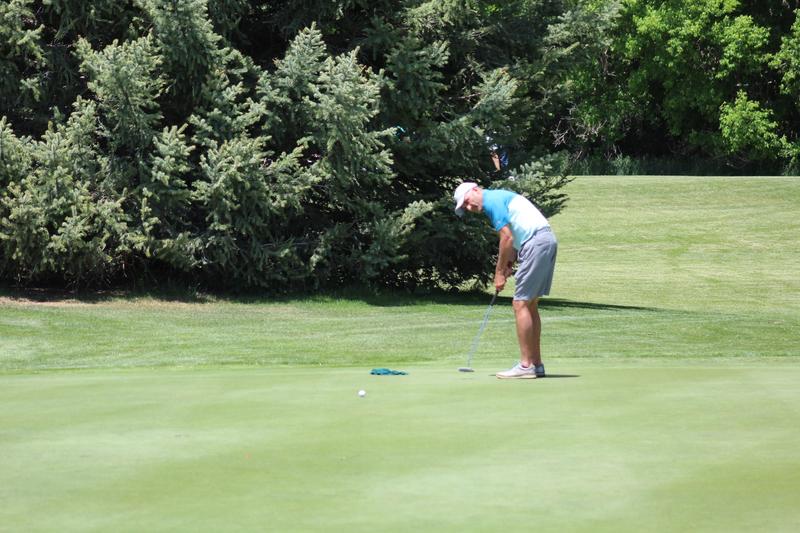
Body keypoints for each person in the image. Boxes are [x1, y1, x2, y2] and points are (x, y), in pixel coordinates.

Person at [453, 182, 558, 379]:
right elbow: (518, 233)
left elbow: (507, 238)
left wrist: (499, 272)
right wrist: (511, 261)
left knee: (520, 304)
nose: (469, 207)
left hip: (536, 243)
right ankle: (536, 364)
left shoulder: (491, 201)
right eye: (464, 207)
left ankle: (526, 366)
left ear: (475, 190)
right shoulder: (499, 197)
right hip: (545, 240)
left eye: (466, 201)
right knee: (530, 304)